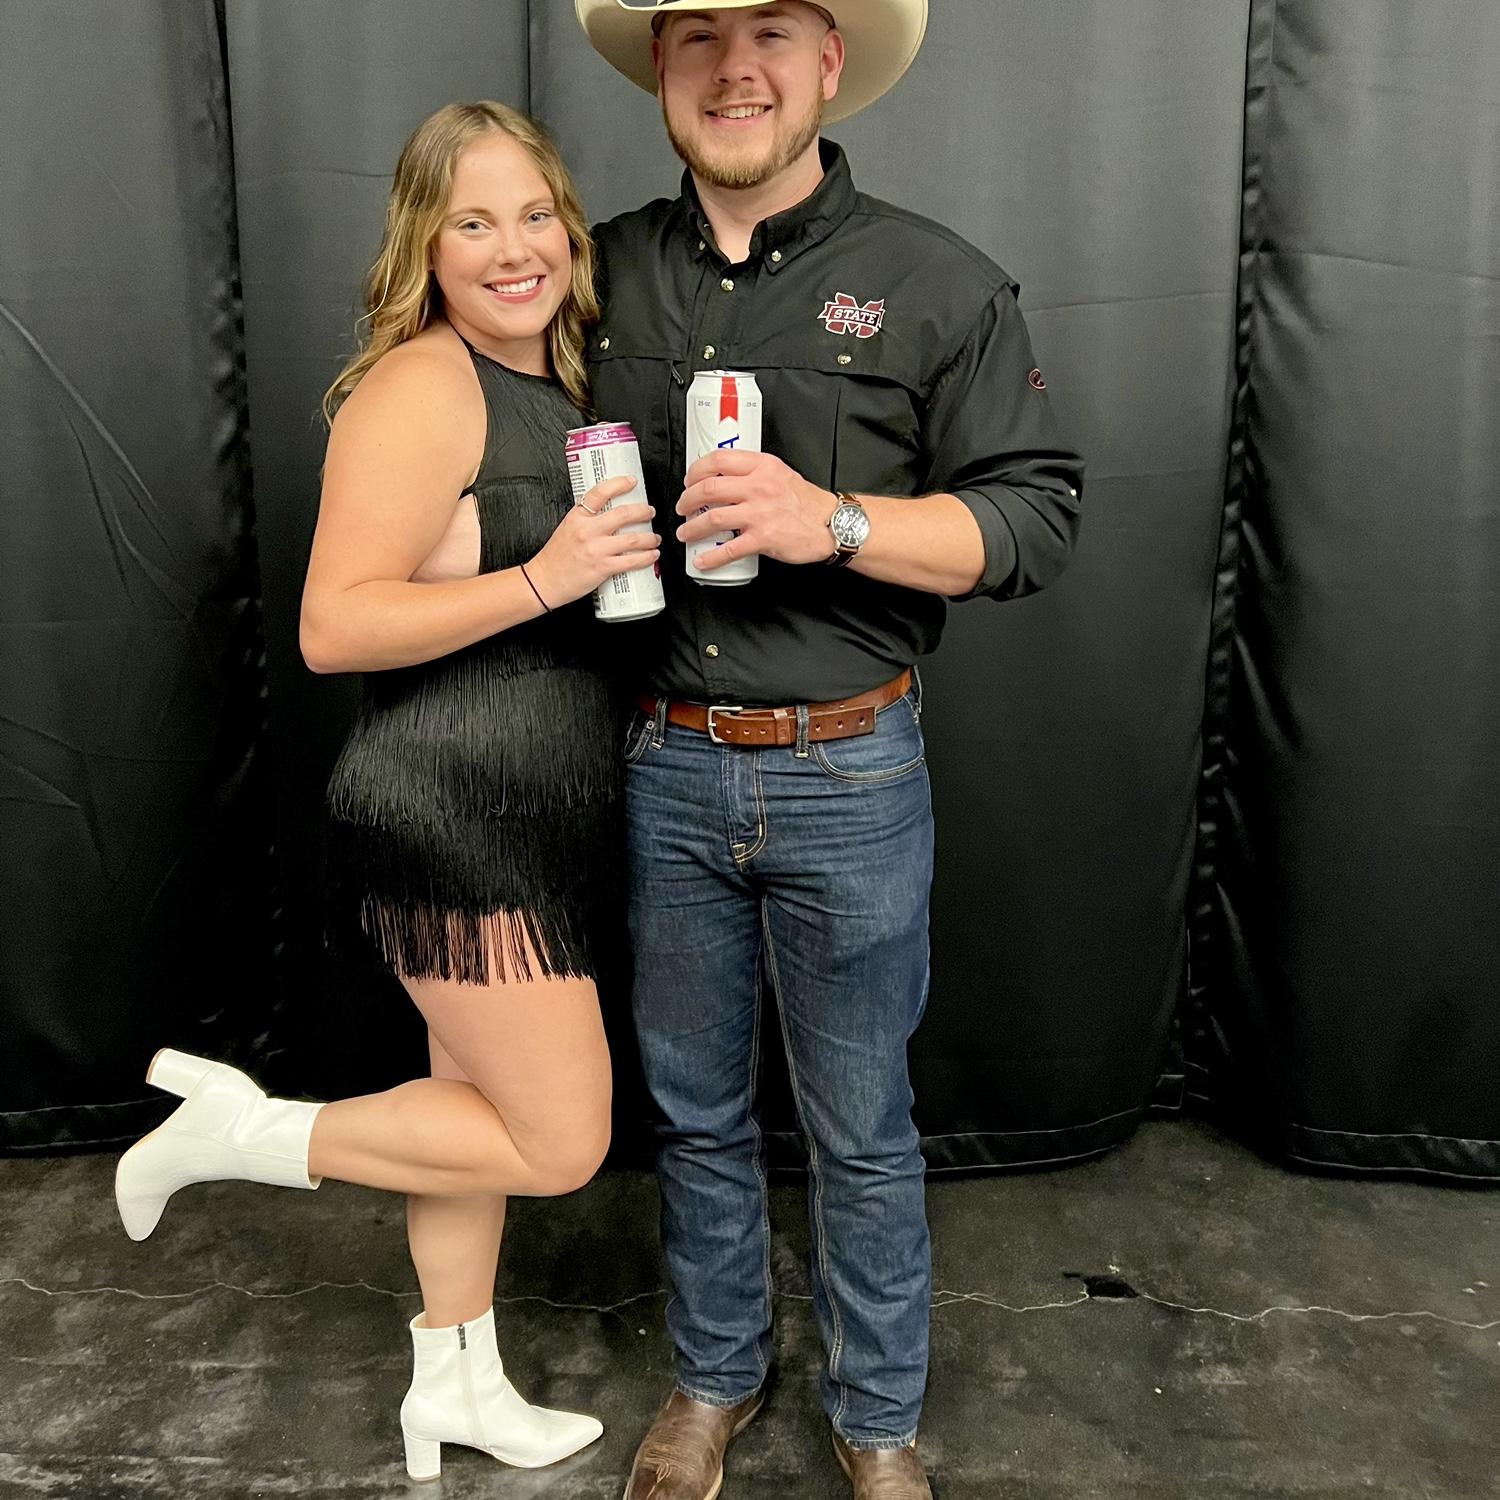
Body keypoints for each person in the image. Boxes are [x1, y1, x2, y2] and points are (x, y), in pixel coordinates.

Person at [574, 3, 1085, 1497]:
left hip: (850, 772)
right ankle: (714, 1380)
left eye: (774, 31)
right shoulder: (588, 274)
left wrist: (835, 520)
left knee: (861, 1124)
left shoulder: (939, 283)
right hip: (662, 761)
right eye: (698, 35)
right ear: (660, 71)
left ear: (829, 64)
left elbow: (1036, 520)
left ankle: (879, 1422)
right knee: (693, 1111)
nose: (736, 67)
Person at [112, 100, 658, 1482]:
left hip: (531, 807)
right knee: (557, 1138)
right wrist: (545, 575)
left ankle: (453, 1386)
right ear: (425, 244)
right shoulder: (424, 383)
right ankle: (250, 1131)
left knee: (464, 1119)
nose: (514, 248)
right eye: (473, 221)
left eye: (534, 213)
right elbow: (333, 625)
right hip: (452, 811)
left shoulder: (554, 384)